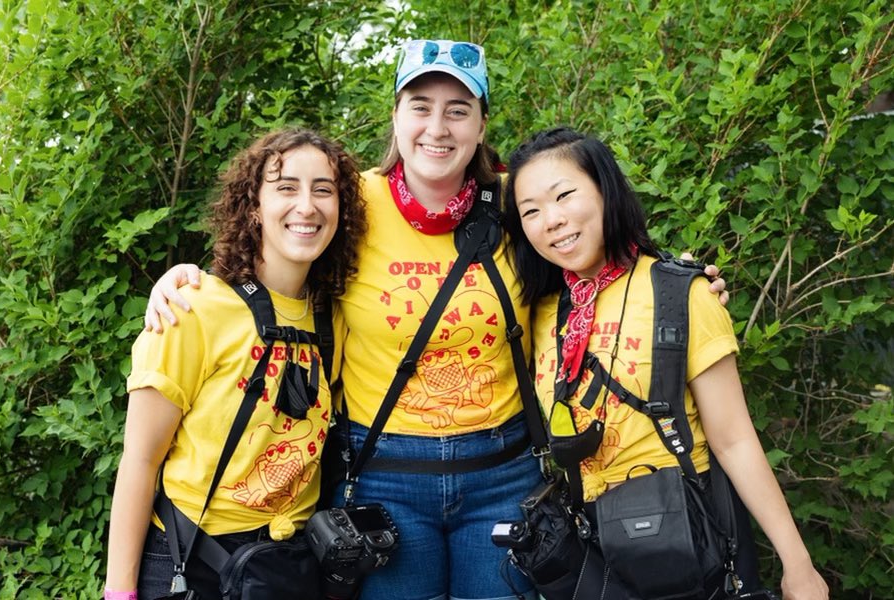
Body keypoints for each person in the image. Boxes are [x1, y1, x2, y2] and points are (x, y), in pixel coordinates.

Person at [142, 41, 727, 600]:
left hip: (503, 473)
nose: (438, 127)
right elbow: (277, 244)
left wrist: (678, 285)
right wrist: (187, 277)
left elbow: (592, 252)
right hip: (382, 474)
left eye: (458, 109)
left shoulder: (516, 203)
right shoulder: (351, 202)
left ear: (481, 124)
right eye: (420, 107)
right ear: (396, 118)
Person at [503, 127, 829, 600]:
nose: (551, 220)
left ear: (606, 190)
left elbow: (734, 440)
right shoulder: (541, 311)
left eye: (564, 195)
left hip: (687, 540)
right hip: (594, 554)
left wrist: (798, 566)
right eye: (530, 210)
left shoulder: (681, 293)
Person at [104, 128, 366, 600]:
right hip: (190, 564)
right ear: (254, 206)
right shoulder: (191, 308)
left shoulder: (333, 318)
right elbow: (140, 460)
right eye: (286, 187)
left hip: (288, 567)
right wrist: (119, 593)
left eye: (323, 190)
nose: (306, 206)